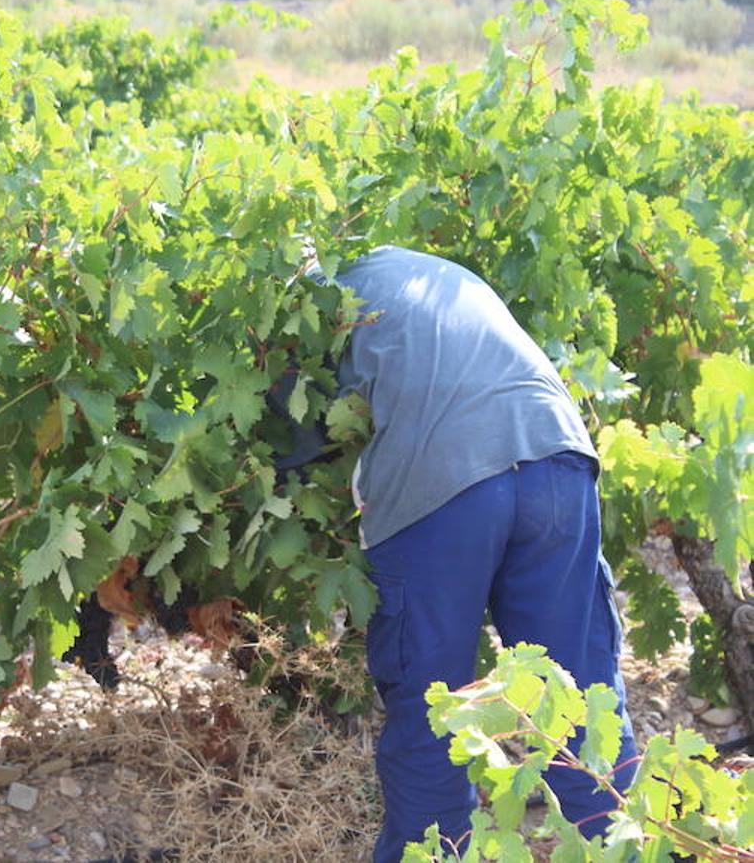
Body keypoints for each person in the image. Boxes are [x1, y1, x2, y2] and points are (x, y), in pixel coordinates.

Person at [268, 245, 638, 862]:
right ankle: (627, 850)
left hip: (447, 486)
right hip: (560, 460)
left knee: (434, 705)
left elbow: (288, 431)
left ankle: (433, 854)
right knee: (577, 688)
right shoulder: (419, 271)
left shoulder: (322, 304)